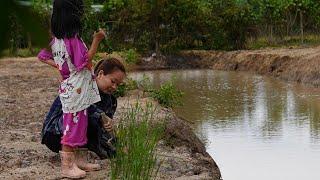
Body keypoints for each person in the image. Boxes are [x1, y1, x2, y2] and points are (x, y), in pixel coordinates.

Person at [37, 0, 108, 178]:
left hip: (71, 87)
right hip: (77, 88)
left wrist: (62, 68)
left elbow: (43, 56)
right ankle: (67, 166)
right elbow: (83, 61)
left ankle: (78, 160)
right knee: (73, 125)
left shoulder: (55, 40)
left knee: (79, 122)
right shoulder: (73, 39)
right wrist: (97, 41)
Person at [41, 58, 126, 176]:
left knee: (109, 147)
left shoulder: (111, 100)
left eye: (118, 84)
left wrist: (116, 146)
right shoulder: (82, 86)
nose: (115, 87)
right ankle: (69, 164)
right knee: (85, 114)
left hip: (77, 138)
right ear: (100, 74)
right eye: (113, 81)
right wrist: (100, 117)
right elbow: (86, 110)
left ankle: (80, 159)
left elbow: (103, 131)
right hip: (55, 133)